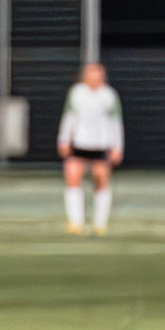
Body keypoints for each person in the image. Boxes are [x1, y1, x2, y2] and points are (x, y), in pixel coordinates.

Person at [57, 62, 123, 235]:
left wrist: (117, 146)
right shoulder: (77, 93)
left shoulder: (108, 95)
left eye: (97, 74)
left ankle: (100, 224)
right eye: (90, 74)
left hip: (101, 145)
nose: (93, 78)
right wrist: (64, 140)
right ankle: (75, 222)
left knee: (101, 181)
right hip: (79, 143)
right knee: (72, 178)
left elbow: (115, 122)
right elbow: (69, 117)